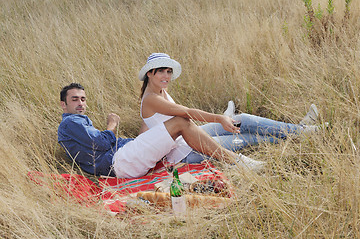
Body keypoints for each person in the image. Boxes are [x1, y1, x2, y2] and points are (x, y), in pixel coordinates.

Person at [138, 53, 319, 165]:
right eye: (161, 71)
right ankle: (297, 135)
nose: (166, 76)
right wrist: (219, 118)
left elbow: (148, 128)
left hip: (193, 134)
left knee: (243, 120)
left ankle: (301, 131)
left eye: (168, 72)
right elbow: (187, 112)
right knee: (246, 137)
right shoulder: (151, 99)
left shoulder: (160, 90)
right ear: (149, 73)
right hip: (185, 152)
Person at [57, 83, 258, 179]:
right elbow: (100, 143)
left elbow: (97, 145)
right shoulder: (70, 122)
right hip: (120, 161)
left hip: (125, 155)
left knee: (173, 124)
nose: (81, 103)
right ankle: (237, 161)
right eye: (74, 99)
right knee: (180, 122)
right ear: (63, 105)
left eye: (83, 99)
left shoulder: (76, 122)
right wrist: (111, 125)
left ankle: (225, 122)